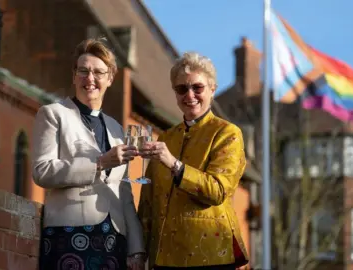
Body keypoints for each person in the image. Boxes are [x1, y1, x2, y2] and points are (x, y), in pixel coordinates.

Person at [32, 38, 146, 270]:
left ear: (110, 78)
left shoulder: (116, 128)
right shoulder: (53, 114)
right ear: (74, 76)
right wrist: (99, 163)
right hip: (69, 234)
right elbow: (42, 171)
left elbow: (123, 192)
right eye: (83, 71)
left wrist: (136, 247)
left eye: (98, 72)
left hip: (113, 240)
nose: (90, 79)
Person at [137, 52, 249, 270]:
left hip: (210, 255)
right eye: (181, 89)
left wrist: (175, 165)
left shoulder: (227, 133)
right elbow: (149, 201)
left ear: (212, 89)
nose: (190, 95)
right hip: (164, 257)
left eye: (197, 88)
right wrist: (139, 250)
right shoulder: (167, 137)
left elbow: (217, 190)